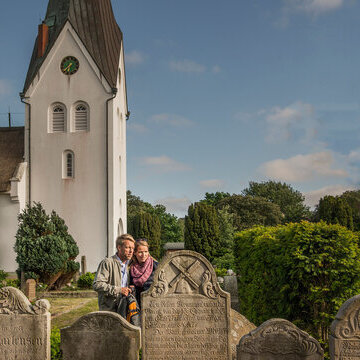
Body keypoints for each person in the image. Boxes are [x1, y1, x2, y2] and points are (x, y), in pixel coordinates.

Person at [93, 233, 135, 312]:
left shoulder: (128, 265)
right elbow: (97, 284)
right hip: (109, 310)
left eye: (132, 248)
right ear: (119, 247)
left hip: (123, 308)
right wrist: (119, 290)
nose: (131, 251)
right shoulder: (107, 262)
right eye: (128, 247)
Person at [130, 238, 158, 307]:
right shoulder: (130, 268)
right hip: (136, 305)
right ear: (135, 252)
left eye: (146, 252)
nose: (143, 255)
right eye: (140, 252)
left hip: (152, 304)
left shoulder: (156, 266)